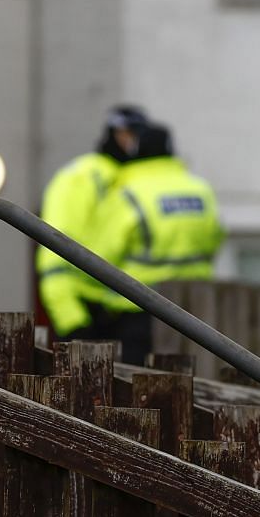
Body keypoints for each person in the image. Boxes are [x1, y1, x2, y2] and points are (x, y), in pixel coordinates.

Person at [82, 123, 225, 367]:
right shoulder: (201, 190)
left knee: (139, 387)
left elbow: (102, 254)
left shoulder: (128, 193)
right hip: (195, 308)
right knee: (195, 385)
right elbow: (215, 238)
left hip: (138, 306)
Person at [37, 104, 146, 342]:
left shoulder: (135, 177)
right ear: (114, 134)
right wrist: (73, 322)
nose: (133, 142)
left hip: (120, 315)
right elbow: (55, 247)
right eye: (128, 134)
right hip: (84, 313)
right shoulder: (84, 176)